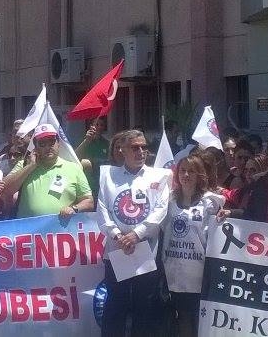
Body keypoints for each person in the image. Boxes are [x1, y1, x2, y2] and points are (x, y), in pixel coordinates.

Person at [96, 129, 171, 337]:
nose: (141, 151)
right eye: (135, 147)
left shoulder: (160, 176)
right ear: (122, 150)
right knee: (115, 305)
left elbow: (160, 210)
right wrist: (118, 236)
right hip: (117, 250)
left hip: (146, 250)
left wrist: (136, 234)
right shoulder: (108, 176)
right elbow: (102, 209)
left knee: (145, 306)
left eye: (144, 147)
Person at [162, 154, 223, 336]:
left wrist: (225, 214)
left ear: (199, 176)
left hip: (198, 272)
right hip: (172, 270)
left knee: (195, 317)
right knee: (180, 317)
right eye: (183, 170)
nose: (186, 175)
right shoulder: (168, 200)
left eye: (191, 171)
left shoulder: (209, 202)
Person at [2, 124, 93, 218]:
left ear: (58, 143)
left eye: (52, 142)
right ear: (35, 147)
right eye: (42, 144)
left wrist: (74, 208)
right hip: (28, 230)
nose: (48, 147)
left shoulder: (74, 168)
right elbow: (4, 190)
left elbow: (88, 201)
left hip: (61, 230)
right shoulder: (24, 165)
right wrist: (31, 166)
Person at [77, 118, 110, 193]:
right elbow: (76, 157)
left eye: (102, 125)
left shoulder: (107, 143)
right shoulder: (84, 141)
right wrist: (87, 141)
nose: (99, 127)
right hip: (88, 179)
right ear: (91, 126)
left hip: (102, 179)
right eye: (97, 124)